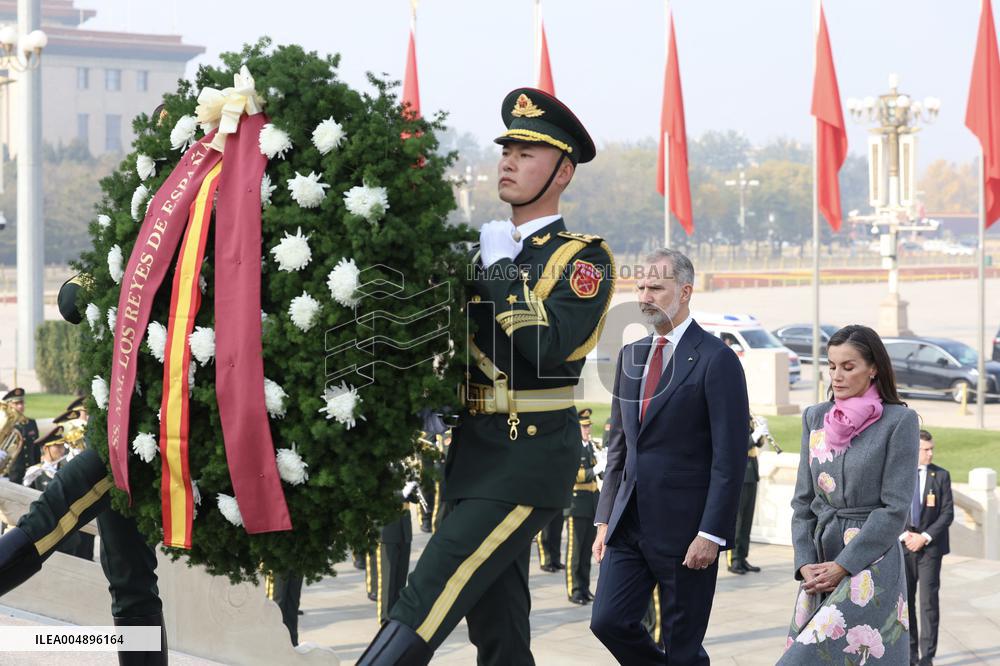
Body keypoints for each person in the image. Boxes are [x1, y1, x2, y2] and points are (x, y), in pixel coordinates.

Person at [357, 87, 615, 664]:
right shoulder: (481, 255)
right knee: (498, 629)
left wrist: (500, 271)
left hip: (527, 459)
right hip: (474, 455)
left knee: (428, 593)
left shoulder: (581, 259)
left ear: (563, 172)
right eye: (507, 149)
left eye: (527, 152)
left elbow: (547, 351)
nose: (508, 160)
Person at [590, 249, 750, 665]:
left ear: (685, 291)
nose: (645, 296)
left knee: (682, 646)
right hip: (627, 524)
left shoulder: (718, 360)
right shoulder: (630, 356)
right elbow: (620, 447)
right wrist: (604, 519)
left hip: (687, 532)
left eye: (655, 288)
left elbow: (729, 459)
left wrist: (711, 534)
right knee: (607, 621)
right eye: (640, 286)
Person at [0, 276, 167, 666]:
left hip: (142, 432)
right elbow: (70, 300)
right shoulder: (135, 251)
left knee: (47, 518)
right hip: (116, 428)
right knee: (131, 582)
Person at [779, 324, 919, 664]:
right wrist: (804, 562)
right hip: (820, 563)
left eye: (848, 366)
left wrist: (845, 565)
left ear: (873, 369)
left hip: (870, 566)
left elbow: (895, 508)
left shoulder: (899, 421)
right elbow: (803, 502)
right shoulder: (814, 418)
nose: (837, 375)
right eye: (831, 365)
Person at [902, 429, 953, 666]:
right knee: (906, 603)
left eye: (932, 448)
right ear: (914, 449)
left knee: (928, 603)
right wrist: (906, 536)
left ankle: (927, 657)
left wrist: (924, 537)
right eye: (925, 449)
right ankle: (910, 655)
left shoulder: (941, 476)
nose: (930, 453)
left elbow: (947, 514)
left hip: (930, 550)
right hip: (904, 548)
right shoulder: (899, 474)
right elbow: (888, 507)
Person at [565, 407, 599, 605]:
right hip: (577, 504)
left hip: (591, 505)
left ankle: (584, 588)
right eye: (584, 427)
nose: (587, 430)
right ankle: (574, 589)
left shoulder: (590, 446)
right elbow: (575, 475)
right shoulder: (573, 447)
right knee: (575, 552)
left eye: (589, 427)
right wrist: (595, 470)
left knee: (586, 550)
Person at [728, 413, 767, 575]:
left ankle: (742, 557)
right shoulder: (733, 416)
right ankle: (734, 559)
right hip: (739, 474)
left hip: (751, 472)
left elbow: (756, 444)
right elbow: (734, 445)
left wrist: (761, 432)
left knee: (747, 520)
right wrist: (753, 437)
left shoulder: (748, 416)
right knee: (737, 519)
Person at [2, 387, 40, 486]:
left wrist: (37, 467)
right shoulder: (4, 425)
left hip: (31, 475)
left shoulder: (31, 422)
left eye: (22, 403)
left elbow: (36, 448)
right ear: (9, 405)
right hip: (12, 476)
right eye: (16, 403)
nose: (20, 406)